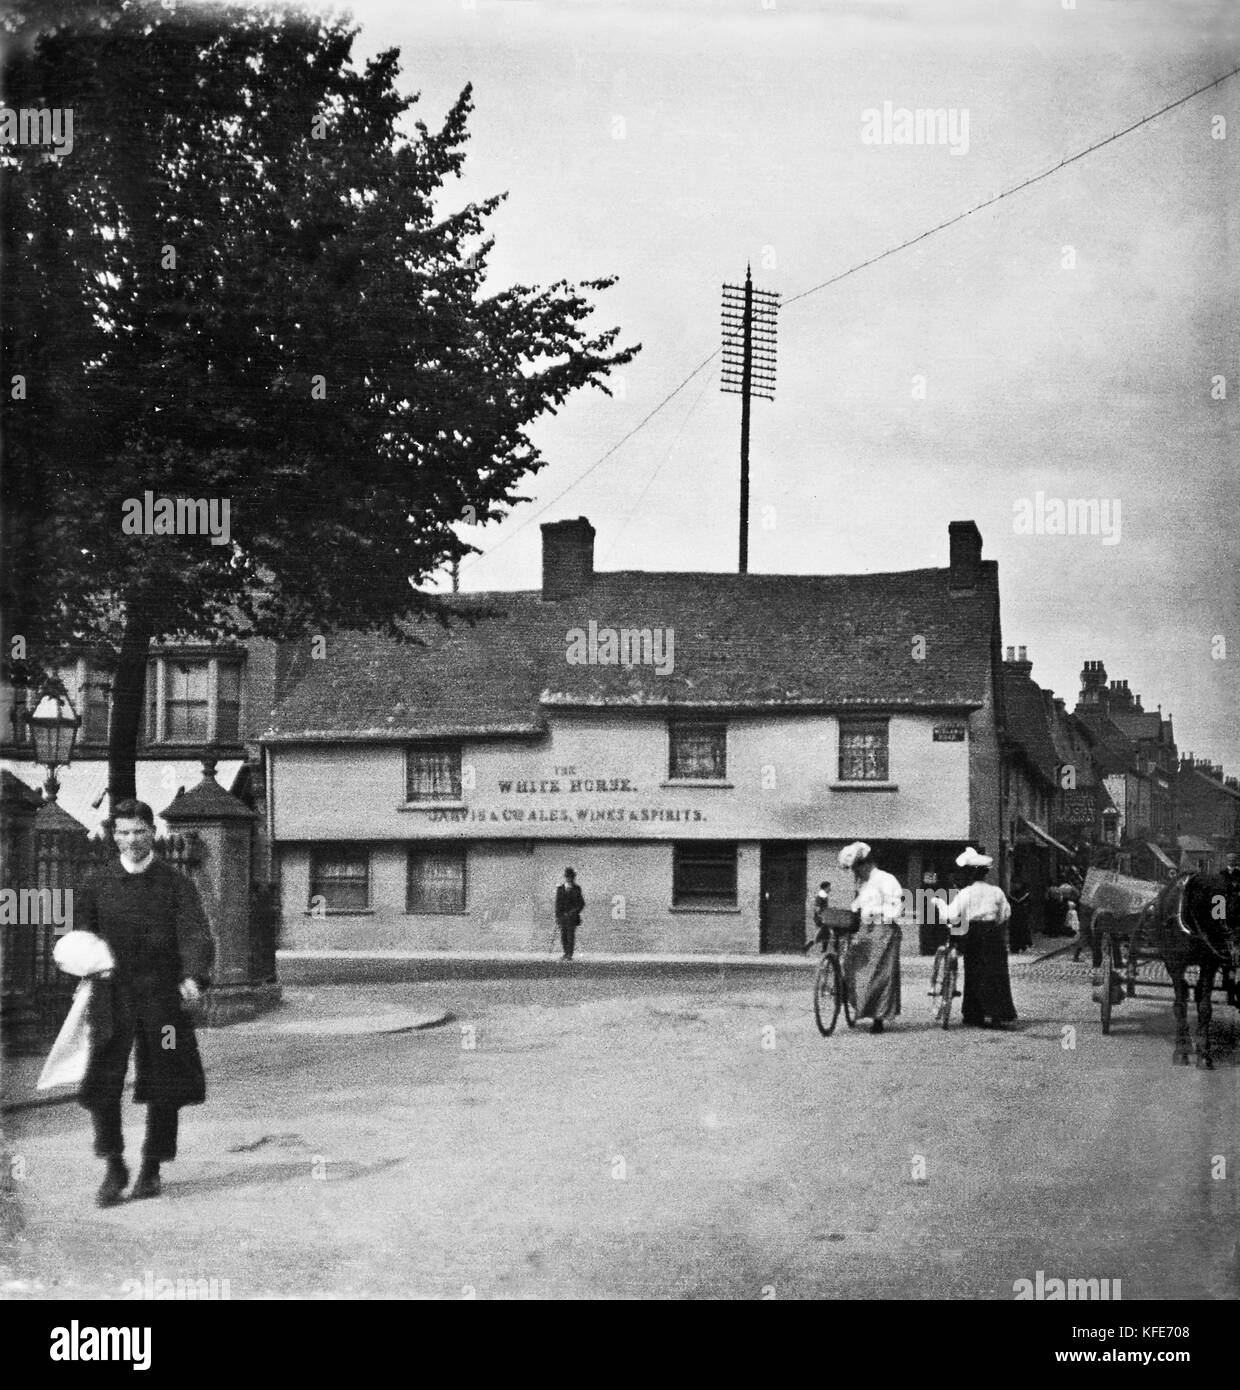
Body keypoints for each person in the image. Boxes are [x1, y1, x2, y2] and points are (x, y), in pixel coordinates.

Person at [76, 799, 215, 1207]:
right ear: (113, 836)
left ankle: (152, 1166)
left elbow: (194, 932)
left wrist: (193, 975)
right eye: (123, 832)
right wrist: (81, 967)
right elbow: (77, 935)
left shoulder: (175, 883)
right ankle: (114, 1165)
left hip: (163, 1003)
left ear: (152, 833)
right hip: (111, 998)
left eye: (139, 831)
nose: (131, 839)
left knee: (165, 1076)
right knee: (102, 1081)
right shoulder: (96, 882)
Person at [944, 847, 1017, 1027]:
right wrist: (994, 924)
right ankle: (998, 1014)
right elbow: (1005, 913)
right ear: (985, 873)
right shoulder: (996, 891)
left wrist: (938, 905)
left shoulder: (966, 893)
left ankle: (974, 1013)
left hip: (974, 934)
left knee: (975, 972)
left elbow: (952, 914)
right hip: (993, 934)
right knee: (996, 973)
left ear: (971, 873)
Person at [838, 842, 903, 1034]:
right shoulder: (865, 883)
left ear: (865, 864)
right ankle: (861, 1006)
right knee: (855, 967)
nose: (856, 874)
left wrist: (877, 912)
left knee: (880, 974)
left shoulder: (886, 879)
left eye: (857, 869)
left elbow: (897, 906)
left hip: (884, 930)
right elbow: (858, 904)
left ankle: (878, 1017)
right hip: (866, 930)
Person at [554, 867, 584, 962]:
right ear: (565, 877)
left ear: (573, 878)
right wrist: (558, 917)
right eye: (567, 877)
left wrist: (573, 912)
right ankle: (565, 953)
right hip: (563, 917)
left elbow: (581, 903)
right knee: (563, 936)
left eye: (571, 877)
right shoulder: (560, 889)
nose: (569, 878)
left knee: (570, 936)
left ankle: (569, 955)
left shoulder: (577, 889)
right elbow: (557, 904)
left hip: (572, 918)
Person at [1007, 876, 1032, 953]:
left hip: (1023, 915)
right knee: (1014, 930)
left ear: (1021, 885)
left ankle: (1023, 945)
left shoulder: (1026, 894)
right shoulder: (1011, 895)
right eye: (1013, 883)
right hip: (1014, 915)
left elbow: (1030, 905)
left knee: (1023, 929)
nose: (1014, 885)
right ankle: (1014, 947)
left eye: (1017, 884)